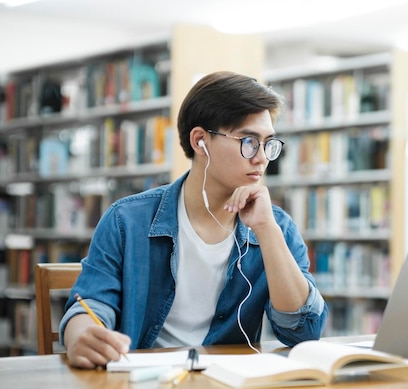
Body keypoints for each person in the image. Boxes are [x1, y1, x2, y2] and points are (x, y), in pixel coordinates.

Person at [60, 71, 328, 369]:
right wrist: (80, 335)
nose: (262, 157)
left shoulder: (277, 226)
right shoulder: (127, 220)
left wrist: (267, 231)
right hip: (142, 387)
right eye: (249, 141)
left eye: (269, 143)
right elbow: (91, 305)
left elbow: (304, 331)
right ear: (201, 142)